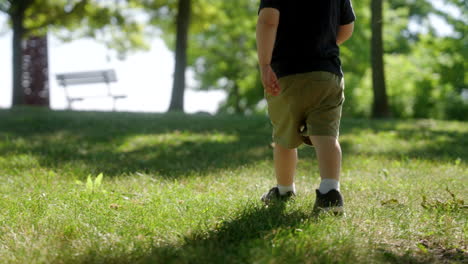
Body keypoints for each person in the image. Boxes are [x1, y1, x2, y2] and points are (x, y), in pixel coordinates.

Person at [256, 0, 356, 214]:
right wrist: (324, 44)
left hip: (286, 75)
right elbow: (347, 27)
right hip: (327, 74)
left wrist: (265, 65)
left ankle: (284, 191)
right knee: (327, 136)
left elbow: (268, 22)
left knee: (284, 139)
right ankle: (330, 192)